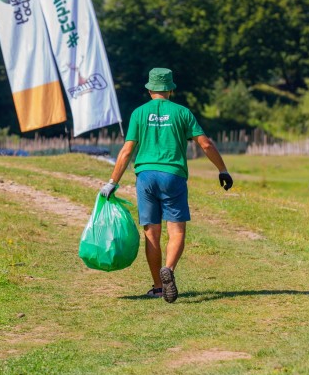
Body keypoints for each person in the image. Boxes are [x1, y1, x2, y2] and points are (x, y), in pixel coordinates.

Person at [100, 68, 233, 303]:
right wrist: (222, 170)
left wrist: (113, 182)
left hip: (146, 177)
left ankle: (159, 287)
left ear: (149, 89)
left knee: (152, 233)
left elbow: (127, 150)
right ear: (171, 89)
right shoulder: (182, 112)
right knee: (177, 231)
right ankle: (169, 269)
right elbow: (206, 144)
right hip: (173, 175)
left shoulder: (139, 113)